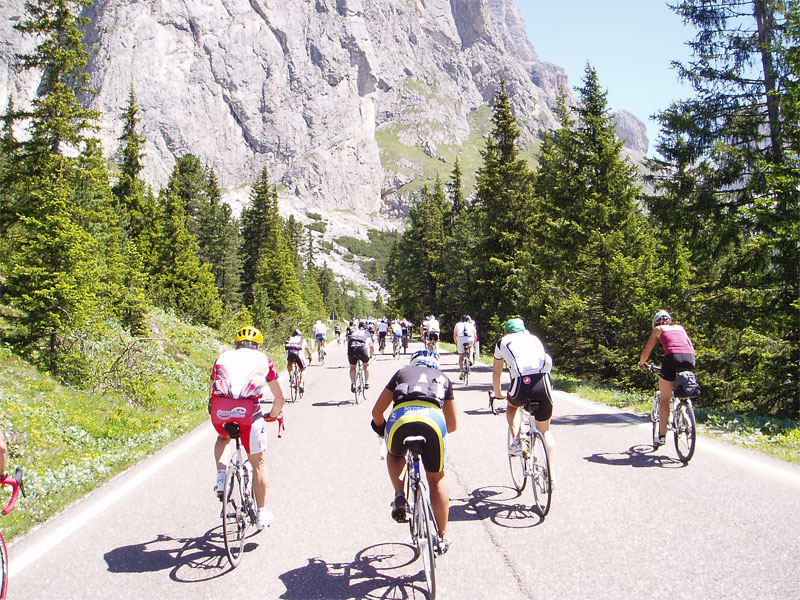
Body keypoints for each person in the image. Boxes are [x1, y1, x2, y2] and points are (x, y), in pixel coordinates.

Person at [370, 349, 456, 554]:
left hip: (401, 419)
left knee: (395, 454)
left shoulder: (402, 373)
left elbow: (377, 412)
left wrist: (381, 430)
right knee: (436, 479)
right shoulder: (443, 378)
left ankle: (400, 494)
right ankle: (442, 536)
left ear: (413, 363)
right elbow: (452, 425)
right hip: (433, 422)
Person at [209, 326, 286, 530]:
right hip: (248, 413)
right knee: (258, 462)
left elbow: (212, 390)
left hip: (219, 410)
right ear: (258, 344)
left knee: (223, 437)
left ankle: (221, 475)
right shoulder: (264, 359)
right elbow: (279, 397)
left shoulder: (222, 356)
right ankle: (261, 513)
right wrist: (274, 414)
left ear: (236, 344)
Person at [492, 318, 555, 478]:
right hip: (544, 383)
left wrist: (498, 393)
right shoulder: (534, 339)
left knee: (512, 407)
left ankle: (518, 441)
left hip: (522, 383)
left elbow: (497, 372)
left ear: (506, 332)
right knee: (545, 431)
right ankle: (551, 475)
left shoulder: (502, 342)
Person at [638, 310, 696, 447]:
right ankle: (685, 408)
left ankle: (662, 436)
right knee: (681, 386)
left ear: (655, 322)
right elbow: (690, 347)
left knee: (665, 398)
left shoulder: (658, 329)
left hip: (672, 358)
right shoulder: (680, 328)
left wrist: (642, 363)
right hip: (689, 358)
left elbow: (647, 350)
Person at [347, 321, 375, 392]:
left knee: (353, 367)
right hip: (362, 349)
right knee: (366, 365)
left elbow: (348, 342)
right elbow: (372, 348)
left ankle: (353, 383)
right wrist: (371, 356)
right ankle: (366, 382)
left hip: (352, 348)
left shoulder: (353, 332)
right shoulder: (367, 333)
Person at [286, 328, 314, 393]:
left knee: (289, 364)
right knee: (303, 369)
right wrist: (310, 357)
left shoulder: (289, 339)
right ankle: (301, 384)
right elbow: (308, 352)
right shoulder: (302, 340)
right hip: (299, 355)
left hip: (290, 355)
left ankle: (291, 377)